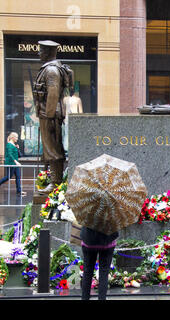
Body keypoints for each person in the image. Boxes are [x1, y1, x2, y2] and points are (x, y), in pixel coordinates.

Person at [32, 40, 72, 193]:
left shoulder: (51, 71)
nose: (38, 53)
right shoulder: (50, 69)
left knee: (53, 149)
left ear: (48, 52)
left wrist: (48, 116)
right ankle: (53, 180)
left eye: (41, 50)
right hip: (47, 115)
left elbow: (53, 94)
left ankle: (55, 183)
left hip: (50, 115)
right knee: (50, 148)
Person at [80, 226, 118, 300]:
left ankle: (85, 298)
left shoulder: (88, 213)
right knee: (104, 273)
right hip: (108, 240)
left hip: (89, 238)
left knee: (87, 272)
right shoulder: (110, 214)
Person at [0, 132, 26, 196]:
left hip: (15, 164)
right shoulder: (9, 145)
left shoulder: (13, 145)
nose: (17, 139)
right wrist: (16, 162)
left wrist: (17, 148)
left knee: (18, 176)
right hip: (11, 164)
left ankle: (19, 191)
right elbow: (10, 154)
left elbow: (18, 155)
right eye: (16, 137)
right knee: (8, 177)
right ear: (12, 137)